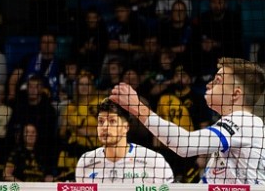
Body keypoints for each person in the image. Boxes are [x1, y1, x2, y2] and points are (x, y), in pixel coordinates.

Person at [110, 56, 265, 184]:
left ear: (235, 94)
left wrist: (137, 107)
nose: (209, 84)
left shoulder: (245, 122)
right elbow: (209, 182)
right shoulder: (234, 128)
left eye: (218, 81)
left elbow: (185, 144)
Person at [75, 98, 173, 183]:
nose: (104, 126)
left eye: (112, 121)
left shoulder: (154, 161)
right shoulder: (85, 162)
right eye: (101, 121)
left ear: (125, 127)